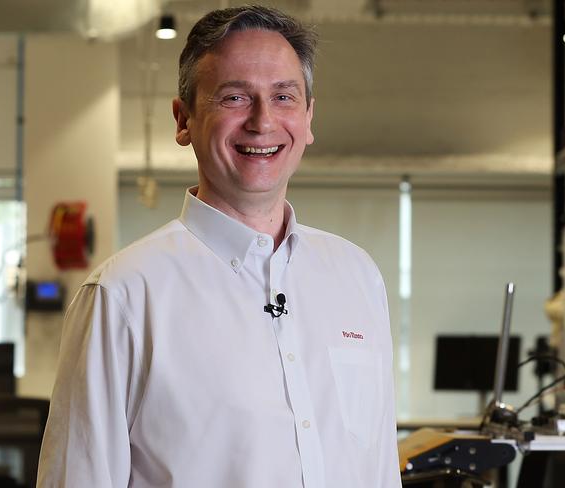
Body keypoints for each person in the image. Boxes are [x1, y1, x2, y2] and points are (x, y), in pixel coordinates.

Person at [37, 5, 402, 488]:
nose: (262, 121)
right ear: (183, 118)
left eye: (284, 97)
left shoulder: (357, 276)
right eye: (234, 97)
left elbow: (378, 470)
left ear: (309, 118)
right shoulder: (123, 295)